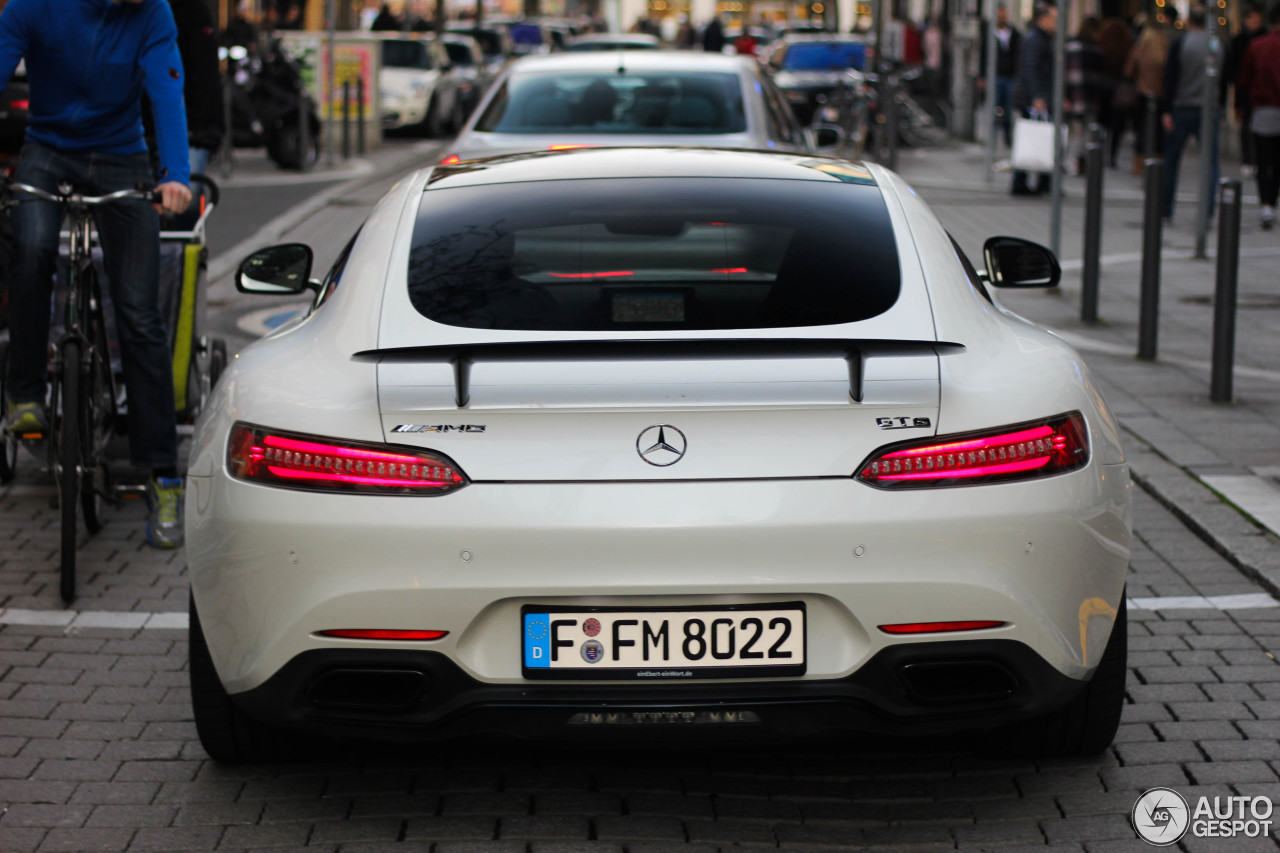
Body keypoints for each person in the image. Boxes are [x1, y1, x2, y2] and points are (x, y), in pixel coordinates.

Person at [0, 0, 193, 548]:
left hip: (121, 155)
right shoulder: (32, 6)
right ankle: (24, 395)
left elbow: (165, 91)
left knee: (139, 313)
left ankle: (163, 477)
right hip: (47, 150)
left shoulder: (153, 13)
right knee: (33, 250)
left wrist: (174, 174)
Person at [1161, 4, 1224, 223]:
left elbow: (1170, 78)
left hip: (1182, 106)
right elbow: (1223, 79)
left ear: (1189, 22)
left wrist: (1167, 109)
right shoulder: (1216, 45)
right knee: (1210, 162)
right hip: (1209, 109)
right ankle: (1206, 212)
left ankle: (1166, 208)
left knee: (1171, 160)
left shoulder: (1181, 43)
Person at [168, 0, 224, 177]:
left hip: (188, 126)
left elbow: (206, 74)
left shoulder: (193, 11)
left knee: (187, 192)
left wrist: (209, 129)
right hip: (146, 128)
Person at [1238, 2, 1280, 229]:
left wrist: (1240, 107)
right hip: (1267, 107)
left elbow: (1244, 80)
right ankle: (1271, 202)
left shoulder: (1257, 46)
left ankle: (1266, 203)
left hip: (1263, 109)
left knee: (1263, 161)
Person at [1011, 2, 1058, 196]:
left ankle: (1043, 181)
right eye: (1054, 20)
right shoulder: (1035, 39)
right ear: (1043, 19)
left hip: (1037, 96)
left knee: (1040, 139)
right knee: (1030, 139)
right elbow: (1031, 69)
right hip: (1033, 98)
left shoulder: (1042, 38)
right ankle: (1021, 182)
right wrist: (1038, 96)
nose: (1057, 24)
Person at [1125, 20, 1169, 175]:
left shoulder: (1139, 50)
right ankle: (1158, 164)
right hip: (1161, 96)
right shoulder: (1165, 51)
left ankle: (1139, 165)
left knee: (1141, 131)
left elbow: (1129, 72)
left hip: (1142, 95)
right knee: (1159, 132)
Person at [1227, 5, 1266, 178]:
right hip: (1245, 89)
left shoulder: (1264, 38)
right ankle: (1248, 160)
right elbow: (1233, 66)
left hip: (1262, 90)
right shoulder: (1239, 40)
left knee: (1260, 127)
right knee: (1245, 126)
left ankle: (1257, 159)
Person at [1065, 16, 1104, 174]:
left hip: (1072, 95)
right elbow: (1098, 78)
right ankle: (1074, 161)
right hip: (1087, 97)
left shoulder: (1070, 48)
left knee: (1073, 132)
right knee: (1083, 133)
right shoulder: (1096, 51)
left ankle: (1069, 161)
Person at [979, 5, 1022, 148]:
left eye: (1003, 16)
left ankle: (1008, 137)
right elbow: (983, 56)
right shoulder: (989, 35)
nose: (1001, 18)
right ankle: (992, 139)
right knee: (993, 108)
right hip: (995, 76)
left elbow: (1018, 55)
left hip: (1010, 76)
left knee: (1009, 110)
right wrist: (982, 76)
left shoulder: (1015, 34)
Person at [1095, 15, 1134, 167]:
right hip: (1120, 90)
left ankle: (1098, 151)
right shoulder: (1127, 47)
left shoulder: (1100, 46)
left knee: (1101, 123)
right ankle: (1112, 156)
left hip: (1102, 88)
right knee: (1117, 126)